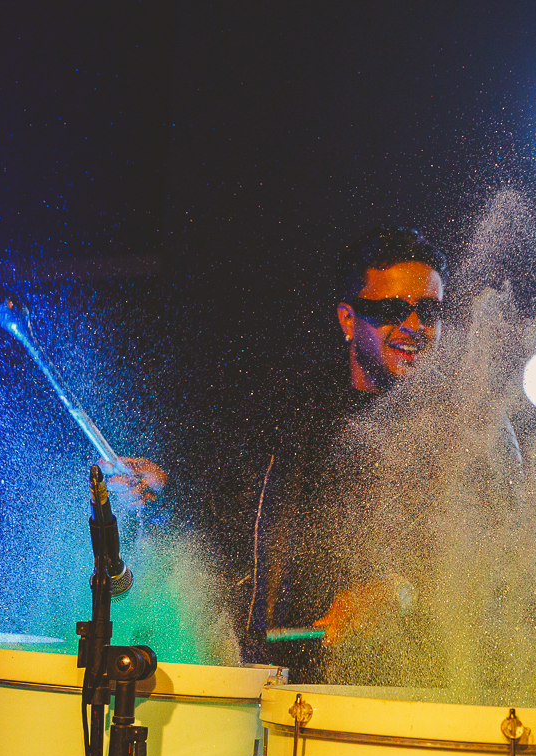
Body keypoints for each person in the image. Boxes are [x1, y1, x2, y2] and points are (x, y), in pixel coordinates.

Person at [110, 225, 447, 678]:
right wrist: (163, 497)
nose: (413, 326)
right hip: (275, 691)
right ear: (348, 320)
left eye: (428, 311)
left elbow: (505, 569)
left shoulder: (473, 432)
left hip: (405, 701)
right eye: (390, 310)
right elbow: (223, 523)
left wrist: (401, 593)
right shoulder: (289, 415)